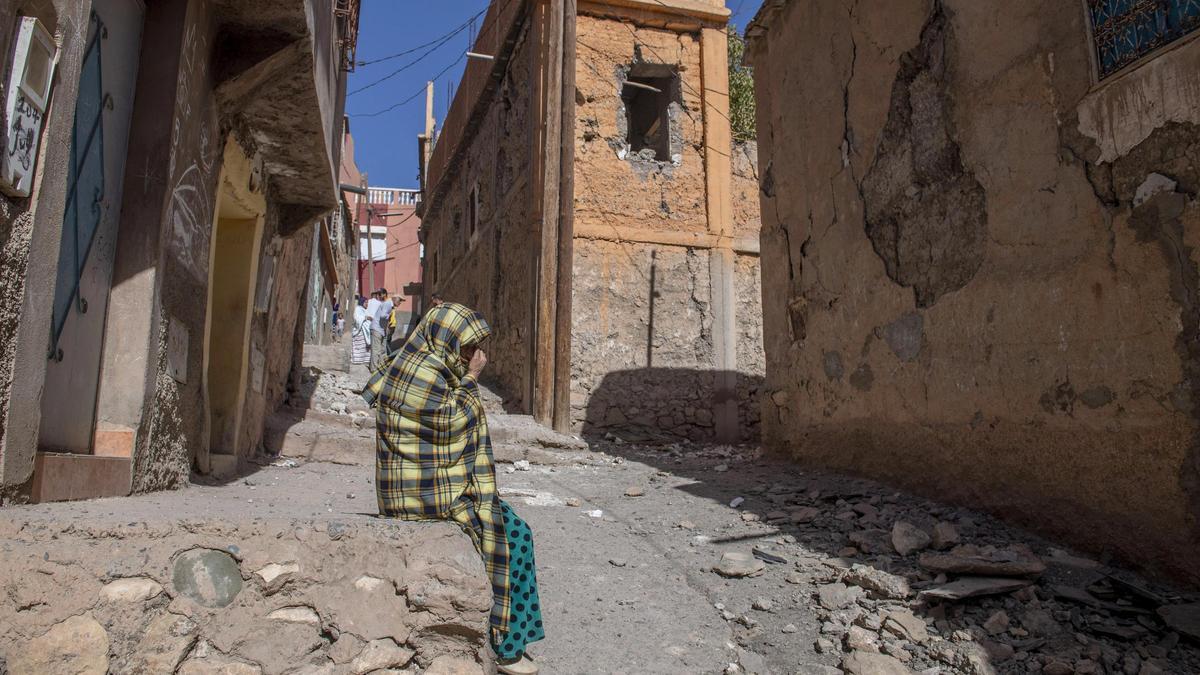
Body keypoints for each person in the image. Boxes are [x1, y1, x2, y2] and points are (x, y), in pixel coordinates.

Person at [361, 303, 544, 675]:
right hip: (422, 495)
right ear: (444, 340)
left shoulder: (424, 365)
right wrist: (472, 379)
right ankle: (507, 645)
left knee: (515, 529)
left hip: (432, 484)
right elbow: (451, 425)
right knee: (512, 537)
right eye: (467, 348)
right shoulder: (421, 375)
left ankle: (512, 638)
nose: (476, 357)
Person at [350, 297, 370, 365]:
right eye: (365, 302)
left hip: (364, 332)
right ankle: (357, 360)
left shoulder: (364, 310)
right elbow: (357, 319)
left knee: (364, 347)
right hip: (359, 332)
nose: (367, 304)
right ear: (362, 302)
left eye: (367, 302)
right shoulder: (358, 309)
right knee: (359, 347)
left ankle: (364, 360)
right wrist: (366, 318)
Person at [365, 291, 382, 368]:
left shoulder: (368, 301)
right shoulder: (379, 303)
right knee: (375, 347)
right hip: (375, 324)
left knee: (368, 342)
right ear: (377, 296)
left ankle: (368, 361)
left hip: (366, 322)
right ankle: (373, 365)